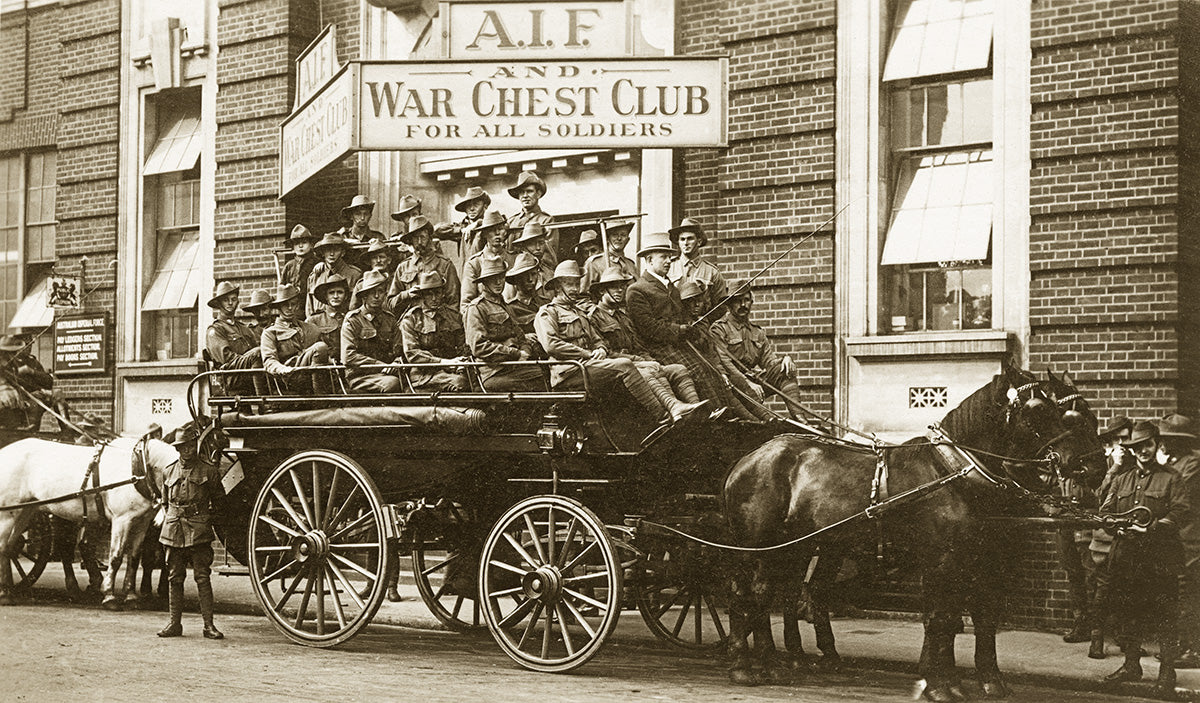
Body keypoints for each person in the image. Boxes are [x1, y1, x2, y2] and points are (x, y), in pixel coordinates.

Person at [535, 260, 706, 426]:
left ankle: (694, 412)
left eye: (576, 284)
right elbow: (551, 345)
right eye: (569, 284)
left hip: (592, 365)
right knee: (626, 365)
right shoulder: (548, 312)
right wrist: (588, 354)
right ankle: (663, 416)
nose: (575, 289)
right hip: (569, 372)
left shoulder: (580, 313)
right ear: (558, 287)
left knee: (676, 369)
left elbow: (597, 339)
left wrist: (600, 348)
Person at [1099, 420, 1191, 698]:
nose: (1143, 451)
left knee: (1165, 616)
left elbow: (1180, 512)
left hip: (1159, 559)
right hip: (1127, 560)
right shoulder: (1122, 479)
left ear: (1156, 444)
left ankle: (1167, 674)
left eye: (1147, 445)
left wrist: (1151, 528)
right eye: (1137, 447)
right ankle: (1130, 665)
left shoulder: (1172, 478)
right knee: (1129, 615)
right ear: (1132, 449)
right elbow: (1105, 512)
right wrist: (1115, 525)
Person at [627, 233, 749, 420]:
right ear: (649, 260)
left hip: (678, 343)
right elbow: (648, 327)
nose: (669, 261)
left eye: (669, 257)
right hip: (657, 348)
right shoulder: (637, 289)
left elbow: (683, 316)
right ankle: (709, 415)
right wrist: (680, 330)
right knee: (696, 370)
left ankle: (727, 414)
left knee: (710, 368)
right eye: (664, 257)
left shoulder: (671, 288)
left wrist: (693, 331)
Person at [589, 267, 710, 415]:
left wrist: (648, 359)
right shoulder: (593, 318)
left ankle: (696, 410)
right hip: (619, 368)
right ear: (602, 291)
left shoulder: (624, 316)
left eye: (622, 286)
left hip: (638, 362)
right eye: (614, 286)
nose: (620, 290)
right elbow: (606, 353)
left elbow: (638, 345)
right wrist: (640, 360)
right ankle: (671, 410)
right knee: (649, 370)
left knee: (679, 369)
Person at [157, 423, 226, 640]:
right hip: (174, 529)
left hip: (199, 529)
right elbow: (166, 503)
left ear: (195, 445)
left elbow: (220, 503)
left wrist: (204, 521)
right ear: (177, 449)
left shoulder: (209, 471)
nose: (187, 450)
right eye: (182, 447)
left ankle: (208, 626)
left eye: (190, 446)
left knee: (202, 577)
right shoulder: (168, 471)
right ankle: (174, 624)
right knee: (174, 577)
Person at [711, 282, 807, 419]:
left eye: (746, 300)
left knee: (783, 370)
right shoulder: (719, 329)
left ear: (751, 302)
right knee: (768, 420)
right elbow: (725, 363)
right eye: (738, 301)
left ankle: (800, 418)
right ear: (729, 304)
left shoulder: (757, 332)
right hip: (733, 386)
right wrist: (748, 383)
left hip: (752, 383)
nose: (743, 305)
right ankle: (770, 420)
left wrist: (785, 359)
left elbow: (769, 361)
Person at [679, 282, 770, 421]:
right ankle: (754, 420)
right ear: (683, 305)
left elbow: (713, 353)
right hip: (696, 369)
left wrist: (722, 372)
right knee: (727, 387)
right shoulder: (681, 326)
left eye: (699, 301)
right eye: (691, 302)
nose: (696, 305)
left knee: (736, 381)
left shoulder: (703, 324)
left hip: (714, 369)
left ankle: (765, 418)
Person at [1088, 415, 1135, 659]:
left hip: (1130, 537)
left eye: (1126, 439)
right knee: (1102, 590)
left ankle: (1125, 637)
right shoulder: (1104, 464)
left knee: (1128, 589)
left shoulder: (1138, 463)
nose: (1122, 445)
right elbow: (1096, 497)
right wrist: (1114, 467)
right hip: (1105, 537)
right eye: (1117, 439)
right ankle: (1096, 638)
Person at [463, 257, 544, 392]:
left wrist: (525, 352)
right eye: (492, 278)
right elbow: (479, 346)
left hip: (513, 366)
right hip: (492, 372)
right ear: (484, 282)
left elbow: (520, 337)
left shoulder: (505, 306)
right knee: (540, 379)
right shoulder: (476, 308)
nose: (498, 282)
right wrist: (515, 354)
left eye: (501, 277)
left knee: (544, 373)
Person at [1159, 414, 1200, 668]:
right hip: (1178, 539)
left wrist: (1163, 469)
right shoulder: (1176, 461)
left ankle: (1193, 650)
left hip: (1191, 539)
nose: (1165, 444)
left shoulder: (1193, 463)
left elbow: (1178, 494)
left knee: (1189, 594)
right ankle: (1181, 645)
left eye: (1169, 439)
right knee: (1179, 592)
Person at [399, 271, 468, 392]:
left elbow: (464, 346)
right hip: (423, 376)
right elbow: (412, 353)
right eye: (429, 294)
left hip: (453, 370)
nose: (434, 298)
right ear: (422, 296)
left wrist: (462, 361)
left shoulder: (453, 316)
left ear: (443, 293)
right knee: (460, 383)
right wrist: (443, 362)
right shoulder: (412, 319)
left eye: (437, 292)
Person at [260, 284, 333, 395]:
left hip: (310, 376)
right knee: (320, 347)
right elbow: (269, 361)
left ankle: (320, 396)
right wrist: (282, 369)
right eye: (285, 305)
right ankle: (320, 398)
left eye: (293, 304)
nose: (289, 308)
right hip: (288, 378)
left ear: (297, 305)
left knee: (321, 347)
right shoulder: (270, 332)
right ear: (279, 307)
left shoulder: (311, 328)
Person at [341, 271, 403, 393]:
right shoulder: (353, 319)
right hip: (360, 376)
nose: (376, 296)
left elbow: (399, 351)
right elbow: (348, 356)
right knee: (393, 383)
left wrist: (396, 363)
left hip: (387, 374)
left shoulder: (389, 319)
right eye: (372, 292)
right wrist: (381, 365)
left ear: (385, 295)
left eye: (380, 292)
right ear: (364, 296)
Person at [388, 215, 461, 317]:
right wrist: (407, 294)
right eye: (415, 238)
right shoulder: (403, 267)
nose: (419, 242)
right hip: (410, 324)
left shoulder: (445, 265)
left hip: (439, 324)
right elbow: (390, 304)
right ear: (410, 240)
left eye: (422, 237)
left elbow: (454, 303)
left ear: (429, 238)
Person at [205, 281, 265, 395]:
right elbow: (226, 358)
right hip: (230, 377)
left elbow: (255, 347)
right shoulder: (215, 330)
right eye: (226, 300)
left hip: (247, 371)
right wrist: (251, 356)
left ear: (237, 301)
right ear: (219, 303)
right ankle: (264, 403)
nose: (230, 303)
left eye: (233, 299)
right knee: (257, 353)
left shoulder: (243, 328)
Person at [668, 217, 728, 313]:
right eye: (682, 239)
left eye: (690, 239)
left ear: (699, 242)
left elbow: (720, 308)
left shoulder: (712, 272)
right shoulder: (669, 267)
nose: (686, 243)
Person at [461, 210, 513, 313]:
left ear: (506, 232)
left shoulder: (514, 259)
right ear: (484, 234)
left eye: (500, 229)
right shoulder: (474, 264)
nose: (497, 233)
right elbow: (466, 305)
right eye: (492, 230)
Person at [307, 233, 363, 316]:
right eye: (327, 250)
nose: (331, 254)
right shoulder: (316, 275)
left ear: (343, 252)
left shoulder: (354, 275)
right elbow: (309, 307)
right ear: (322, 253)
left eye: (336, 250)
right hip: (318, 325)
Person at [505, 171, 555, 261]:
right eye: (521, 192)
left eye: (529, 191)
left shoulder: (546, 220)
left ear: (538, 194)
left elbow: (549, 255)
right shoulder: (511, 222)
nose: (525, 196)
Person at [581, 220, 636, 297]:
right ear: (607, 239)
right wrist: (598, 309)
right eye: (614, 235)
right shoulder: (594, 263)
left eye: (623, 235)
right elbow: (582, 297)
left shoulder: (630, 264)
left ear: (628, 240)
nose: (619, 238)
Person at [436, 186, 491, 261]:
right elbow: (436, 230)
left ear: (485, 206)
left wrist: (479, 223)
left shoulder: (491, 225)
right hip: (467, 270)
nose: (471, 208)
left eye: (476, 204)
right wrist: (462, 230)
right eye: (468, 205)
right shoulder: (463, 226)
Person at [306, 274, 350, 362]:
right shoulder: (314, 320)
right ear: (326, 296)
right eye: (331, 292)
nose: (336, 296)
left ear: (346, 296)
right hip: (325, 367)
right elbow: (309, 349)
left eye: (340, 292)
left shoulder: (351, 317)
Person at [504, 252, 551, 333]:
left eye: (533, 274)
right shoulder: (509, 309)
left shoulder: (546, 303)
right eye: (525, 275)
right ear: (516, 279)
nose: (530, 279)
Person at [279, 224, 318, 307]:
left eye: (304, 242)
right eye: (297, 243)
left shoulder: (317, 263)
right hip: (293, 306)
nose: (300, 246)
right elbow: (282, 288)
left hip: (312, 304)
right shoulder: (289, 266)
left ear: (311, 245)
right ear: (293, 247)